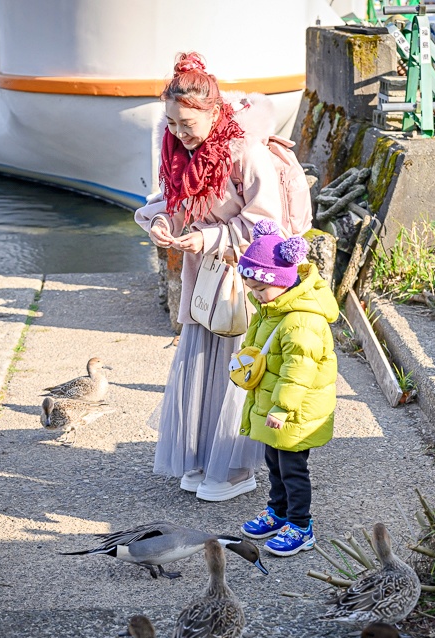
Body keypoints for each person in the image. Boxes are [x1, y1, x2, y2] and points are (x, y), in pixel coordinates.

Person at [134, 52, 308, 501]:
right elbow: (170, 202)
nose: (177, 134)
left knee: (236, 368)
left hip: (244, 278)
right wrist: (162, 224)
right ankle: (200, 458)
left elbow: (264, 226)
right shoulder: (178, 150)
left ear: (215, 113)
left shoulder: (245, 154)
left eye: (186, 125)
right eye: (170, 123)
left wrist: (208, 238)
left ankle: (234, 469)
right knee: (200, 364)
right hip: (202, 278)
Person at [235, 220, 338, 556]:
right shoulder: (275, 309)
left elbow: (298, 371)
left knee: (293, 470)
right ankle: (277, 512)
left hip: (294, 409)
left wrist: (281, 408)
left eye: (260, 290)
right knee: (274, 462)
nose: (257, 296)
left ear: (280, 281)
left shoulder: (301, 320)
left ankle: (300, 525)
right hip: (275, 405)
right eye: (252, 291)